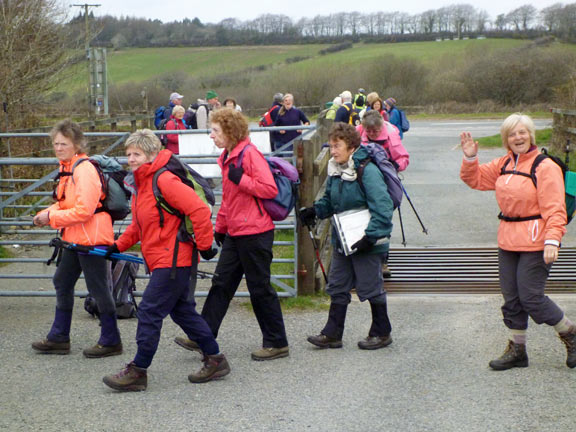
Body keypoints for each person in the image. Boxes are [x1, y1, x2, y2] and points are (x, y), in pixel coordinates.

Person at [102, 129, 230, 392]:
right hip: (164, 260)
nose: (131, 159)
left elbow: (197, 209)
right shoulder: (141, 185)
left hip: (174, 260)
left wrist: (205, 246)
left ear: (151, 154)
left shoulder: (164, 180)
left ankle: (138, 370)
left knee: (149, 310)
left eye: (137, 153)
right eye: (128, 154)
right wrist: (116, 246)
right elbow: (138, 226)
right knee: (182, 311)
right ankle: (215, 359)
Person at [460, 113, 576, 370]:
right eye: (512, 134)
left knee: (531, 298)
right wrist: (470, 158)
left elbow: (555, 208)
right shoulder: (504, 163)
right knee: (511, 298)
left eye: (522, 132)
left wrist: (553, 240)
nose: (518, 137)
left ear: (531, 135)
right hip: (508, 240)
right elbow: (475, 179)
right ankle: (517, 350)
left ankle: (570, 333)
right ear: (506, 139)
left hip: (536, 241)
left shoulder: (545, 166)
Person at [174, 108, 290, 361]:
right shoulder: (229, 157)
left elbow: (269, 189)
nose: (211, 136)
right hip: (237, 232)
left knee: (260, 288)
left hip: (256, 232)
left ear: (229, 131)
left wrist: (243, 179)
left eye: (215, 130)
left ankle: (276, 342)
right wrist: (221, 227)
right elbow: (229, 199)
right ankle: (202, 335)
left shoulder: (249, 155)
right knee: (221, 284)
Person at [31, 120, 122, 358]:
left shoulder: (83, 169)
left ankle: (111, 340)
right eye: (56, 143)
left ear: (76, 144)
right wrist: (47, 213)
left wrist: (50, 217)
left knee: (98, 288)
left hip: (91, 237)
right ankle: (59, 337)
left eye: (64, 143)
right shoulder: (68, 168)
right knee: (62, 281)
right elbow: (65, 203)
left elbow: (84, 210)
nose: (58, 148)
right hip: (75, 236)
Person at [299, 123, 394, 350]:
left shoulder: (367, 171)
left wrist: (370, 237)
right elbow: (331, 202)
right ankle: (332, 334)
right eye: (331, 146)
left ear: (351, 146)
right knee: (338, 285)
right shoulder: (337, 169)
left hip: (367, 241)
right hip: (344, 239)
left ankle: (382, 332)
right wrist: (315, 210)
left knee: (371, 286)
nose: (333, 150)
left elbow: (384, 207)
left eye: (337, 146)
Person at [357, 110, 409, 277]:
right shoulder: (358, 131)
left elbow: (404, 158)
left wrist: (395, 165)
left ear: (381, 126)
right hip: (363, 180)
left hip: (384, 183)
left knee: (382, 216)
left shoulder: (391, 135)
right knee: (364, 217)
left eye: (375, 131)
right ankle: (365, 257)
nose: (371, 134)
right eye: (369, 131)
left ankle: (383, 261)